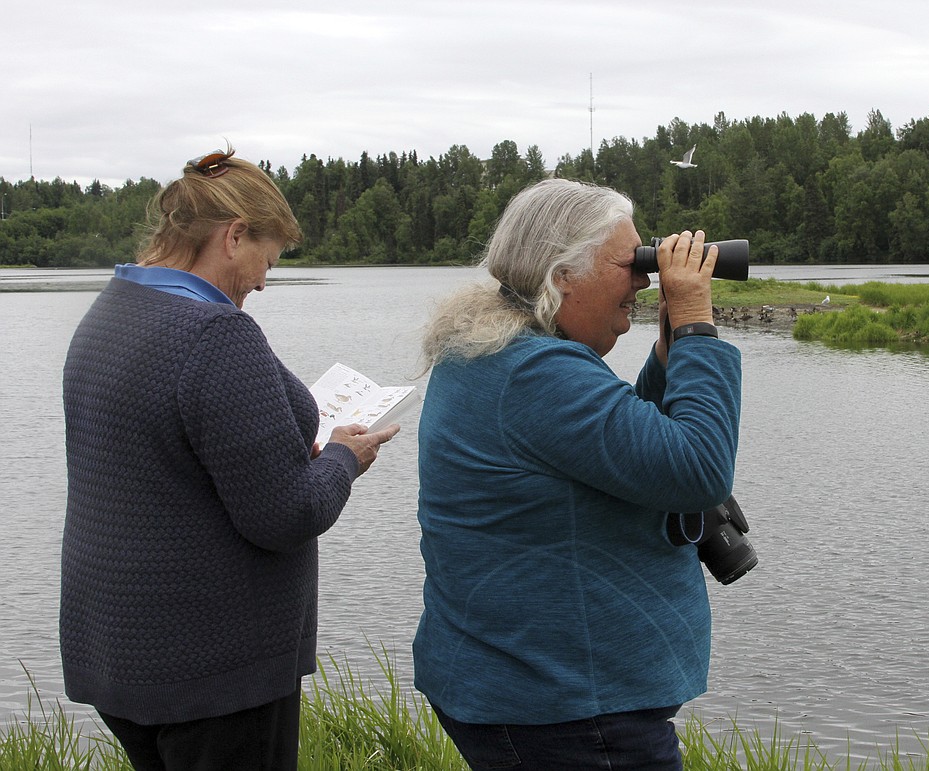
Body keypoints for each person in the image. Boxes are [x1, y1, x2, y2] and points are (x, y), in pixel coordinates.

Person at [60, 146, 399, 770]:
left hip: (121, 650)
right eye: (266, 260)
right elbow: (286, 515)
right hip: (214, 668)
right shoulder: (215, 334)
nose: (265, 280)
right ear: (233, 236)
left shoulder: (114, 307)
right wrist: (345, 458)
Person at [412, 178, 742, 770]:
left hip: (526, 688)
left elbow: (619, 444)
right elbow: (698, 470)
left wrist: (669, 346)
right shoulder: (533, 372)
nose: (645, 279)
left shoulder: (497, 350)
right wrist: (694, 319)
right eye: (632, 263)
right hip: (567, 709)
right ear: (562, 274)